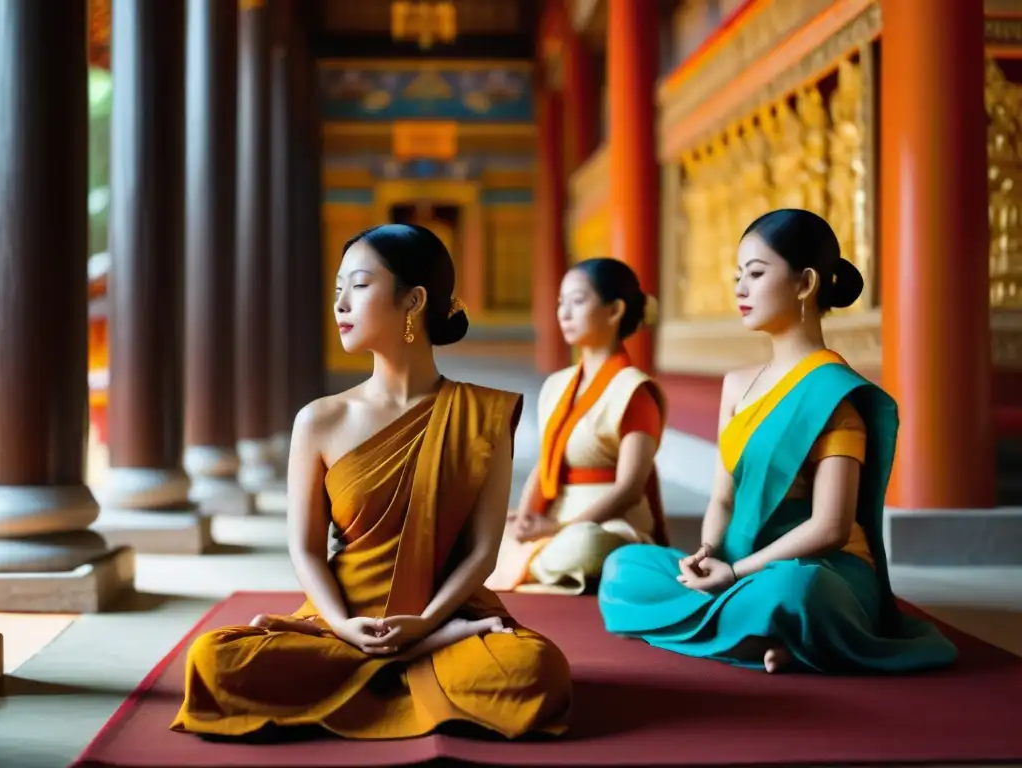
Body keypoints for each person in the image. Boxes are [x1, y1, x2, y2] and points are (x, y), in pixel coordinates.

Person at [171, 224, 572, 740]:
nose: (340, 303)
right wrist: (339, 625)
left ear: (414, 300)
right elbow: (306, 549)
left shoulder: (484, 413)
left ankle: (409, 653)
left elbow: (482, 554)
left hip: (446, 613)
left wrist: (426, 621)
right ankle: (410, 658)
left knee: (534, 670)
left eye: (358, 286)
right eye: (338, 289)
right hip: (343, 619)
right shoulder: (320, 420)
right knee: (214, 660)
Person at [597, 209, 958, 674]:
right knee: (624, 568)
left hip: (820, 571)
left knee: (796, 593)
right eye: (736, 277)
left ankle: (763, 627)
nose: (740, 290)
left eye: (756, 273)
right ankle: (772, 637)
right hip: (738, 567)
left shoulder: (834, 395)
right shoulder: (736, 384)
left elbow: (830, 527)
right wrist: (708, 556)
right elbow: (723, 500)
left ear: (805, 283)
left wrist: (737, 574)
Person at [485, 258, 669, 596]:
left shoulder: (634, 390)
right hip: (556, 514)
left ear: (614, 310)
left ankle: (519, 562)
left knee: (585, 545)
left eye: (577, 301)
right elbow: (546, 462)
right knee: (478, 524)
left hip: (609, 523)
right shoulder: (557, 384)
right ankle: (531, 558)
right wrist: (526, 517)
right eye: (560, 303)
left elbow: (630, 488)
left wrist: (558, 527)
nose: (564, 312)